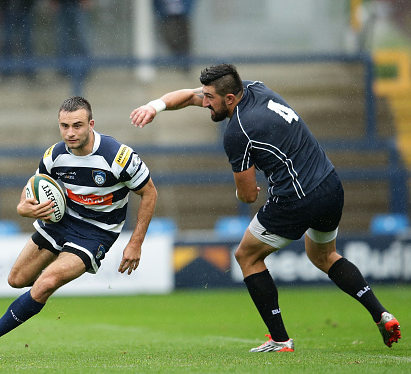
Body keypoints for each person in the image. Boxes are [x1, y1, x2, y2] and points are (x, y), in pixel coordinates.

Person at [130, 63, 401, 352]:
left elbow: (247, 196)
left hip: (297, 198)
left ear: (230, 99)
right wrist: (154, 106)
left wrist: (242, 190)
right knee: (324, 256)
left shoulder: (237, 132)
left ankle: (280, 340)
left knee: (246, 255)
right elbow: (189, 96)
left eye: (209, 98)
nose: (204, 101)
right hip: (330, 184)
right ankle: (380, 313)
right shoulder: (256, 88)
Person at [0, 96, 158, 359]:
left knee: (46, 282)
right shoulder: (54, 155)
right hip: (60, 221)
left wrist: (135, 242)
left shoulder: (119, 157)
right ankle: (39, 292)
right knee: (17, 280)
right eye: (64, 126)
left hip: (97, 232)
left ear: (91, 124)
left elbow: (150, 194)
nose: (70, 133)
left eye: (78, 125)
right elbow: (34, 185)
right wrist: (22, 207)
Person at [49, 0, 92, 79]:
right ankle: (64, 70)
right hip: (63, 6)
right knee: (63, 40)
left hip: (78, 5)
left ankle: (84, 69)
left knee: (81, 39)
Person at [0, 0, 37, 78]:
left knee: (26, 42)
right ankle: (6, 70)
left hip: (24, 9)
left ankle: (28, 70)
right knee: (7, 42)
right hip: (8, 10)